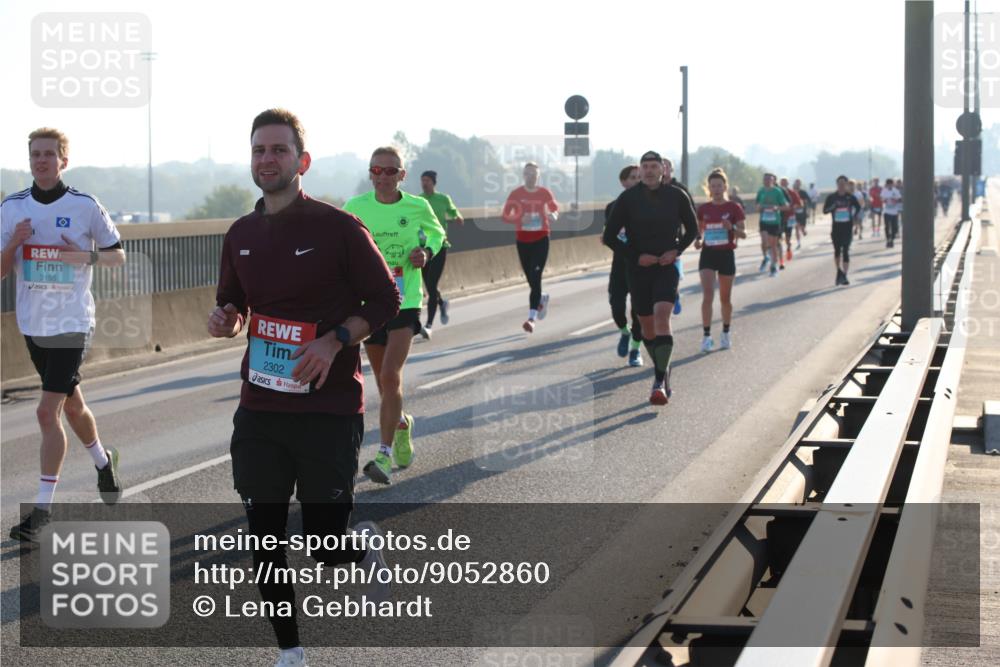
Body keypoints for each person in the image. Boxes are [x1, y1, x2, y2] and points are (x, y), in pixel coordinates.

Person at [210, 109, 397, 667]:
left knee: (324, 547)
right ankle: (291, 652)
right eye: (259, 151)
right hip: (261, 408)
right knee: (264, 536)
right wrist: (226, 320)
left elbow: (385, 300)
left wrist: (335, 341)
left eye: (279, 150)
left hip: (329, 409)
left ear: (302, 161)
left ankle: (357, 549)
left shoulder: (338, 228)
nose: (267, 160)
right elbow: (233, 304)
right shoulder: (241, 233)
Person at [2, 127, 126, 542]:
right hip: (33, 324)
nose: (41, 160)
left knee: (45, 412)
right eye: (35, 154)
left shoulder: (85, 205)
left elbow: (117, 256)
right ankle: (103, 461)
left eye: (49, 154)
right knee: (72, 407)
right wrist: (14, 243)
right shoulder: (12, 208)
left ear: (63, 161)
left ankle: (41, 513)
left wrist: (83, 255)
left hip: (72, 323)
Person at [345, 146, 446, 485]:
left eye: (391, 171)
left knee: (391, 376)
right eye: (377, 170)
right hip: (371, 305)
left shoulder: (417, 206)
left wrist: (425, 251)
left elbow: (437, 233)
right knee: (383, 384)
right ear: (370, 172)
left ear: (402, 175)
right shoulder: (356, 207)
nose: (383, 177)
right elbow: (340, 242)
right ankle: (402, 425)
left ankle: (383, 457)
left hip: (406, 301)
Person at [603, 151, 698, 405]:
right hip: (638, 269)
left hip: (666, 267)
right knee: (646, 326)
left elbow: (693, 229)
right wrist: (635, 257)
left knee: (662, 316)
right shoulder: (627, 199)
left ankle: (658, 382)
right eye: (644, 166)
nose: (648, 170)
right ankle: (663, 369)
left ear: (662, 171)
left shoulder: (676, 196)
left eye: (653, 166)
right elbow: (609, 237)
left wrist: (676, 251)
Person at [502, 162, 559, 333]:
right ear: (523, 175)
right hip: (523, 241)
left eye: (534, 174)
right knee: (531, 279)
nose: (531, 177)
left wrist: (553, 214)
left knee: (536, 276)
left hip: (541, 239)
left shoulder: (544, 193)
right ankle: (541, 297)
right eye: (528, 174)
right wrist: (519, 218)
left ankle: (531, 318)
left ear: (538, 176)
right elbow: (505, 216)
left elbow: (554, 208)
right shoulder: (516, 194)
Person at [694, 168, 745, 353]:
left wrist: (731, 227)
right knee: (707, 296)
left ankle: (725, 332)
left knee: (725, 298)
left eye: (719, 185)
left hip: (726, 255)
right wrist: (698, 241)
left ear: (725, 186)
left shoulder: (733, 208)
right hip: (708, 255)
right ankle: (706, 336)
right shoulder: (704, 209)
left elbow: (744, 233)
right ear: (708, 188)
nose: (716, 189)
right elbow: (699, 233)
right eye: (713, 186)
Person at [603, 164, 644, 366]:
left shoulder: (649, 204)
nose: (637, 180)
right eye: (633, 177)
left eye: (639, 177)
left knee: (639, 311)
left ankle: (635, 351)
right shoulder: (612, 207)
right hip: (619, 264)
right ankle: (624, 332)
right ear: (623, 182)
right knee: (617, 307)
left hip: (640, 266)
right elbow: (608, 233)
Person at [418, 170, 464, 339]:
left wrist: (458, 217)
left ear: (433, 182)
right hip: (423, 248)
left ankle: (428, 325)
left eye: (427, 180)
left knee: (431, 284)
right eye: (422, 180)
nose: (424, 183)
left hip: (440, 246)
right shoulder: (419, 200)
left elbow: (453, 212)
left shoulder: (443, 199)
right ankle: (442, 303)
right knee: (429, 286)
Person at [823, 175, 862, 285]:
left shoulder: (850, 197)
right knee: (837, 250)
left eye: (843, 183)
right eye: (839, 183)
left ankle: (844, 274)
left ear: (846, 185)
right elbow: (825, 211)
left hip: (847, 227)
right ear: (837, 184)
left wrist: (853, 217)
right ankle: (838, 271)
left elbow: (858, 207)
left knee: (845, 250)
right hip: (836, 228)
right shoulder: (831, 197)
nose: (841, 185)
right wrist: (833, 207)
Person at [755, 173, 789, 277]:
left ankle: (773, 266)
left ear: (773, 181)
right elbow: (756, 206)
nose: (767, 181)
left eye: (769, 179)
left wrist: (777, 208)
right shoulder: (761, 191)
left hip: (774, 221)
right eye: (765, 179)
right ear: (763, 180)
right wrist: (760, 207)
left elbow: (786, 206)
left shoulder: (777, 191)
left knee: (773, 245)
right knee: (764, 242)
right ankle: (766, 257)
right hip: (764, 220)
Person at [779, 177, 803, 261]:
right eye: (782, 183)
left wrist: (793, 207)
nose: (783, 185)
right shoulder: (778, 192)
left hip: (790, 217)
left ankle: (788, 247)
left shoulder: (792, 193)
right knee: (778, 236)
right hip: (780, 217)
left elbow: (800, 204)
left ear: (787, 184)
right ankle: (780, 254)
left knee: (787, 236)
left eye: (785, 183)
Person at [882, 178, 902, 248]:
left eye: (891, 184)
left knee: (895, 227)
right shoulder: (884, 191)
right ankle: (888, 239)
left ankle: (892, 239)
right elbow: (882, 198)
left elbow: (900, 199)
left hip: (894, 212)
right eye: (888, 184)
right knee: (887, 226)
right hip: (886, 211)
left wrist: (895, 200)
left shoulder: (896, 191)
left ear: (893, 184)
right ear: (887, 185)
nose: (890, 185)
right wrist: (885, 200)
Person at [794, 178, 810, 246]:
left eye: (798, 183)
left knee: (802, 228)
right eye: (796, 183)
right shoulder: (792, 192)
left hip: (802, 212)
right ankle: (798, 243)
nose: (797, 184)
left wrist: (804, 202)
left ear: (800, 184)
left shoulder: (803, 192)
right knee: (796, 227)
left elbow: (808, 200)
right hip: (795, 213)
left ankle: (803, 231)